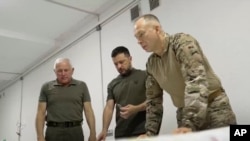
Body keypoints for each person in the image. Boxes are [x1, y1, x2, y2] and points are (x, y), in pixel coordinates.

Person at [133, 14, 237, 136]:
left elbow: (196, 82)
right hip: (184, 113)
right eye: (136, 37)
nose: (138, 41)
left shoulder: (182, 43)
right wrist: (150, 133)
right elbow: (153, 100)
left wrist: (189, 124)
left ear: (157, 29)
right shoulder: (151, 64)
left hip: (214, 108)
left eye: (141, 34)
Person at [35, 58, 96, 141]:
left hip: (75, 131)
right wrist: (40, 136)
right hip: (53, 132)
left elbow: (88, 111)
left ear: (72, 70)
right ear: (55, 71)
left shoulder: (82, 86)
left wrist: (93, 133)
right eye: (59, 71)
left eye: (66, 70)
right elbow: (40, 113)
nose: (63, 74)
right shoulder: (46, 87)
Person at [97, 46, 147, 140]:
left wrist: (136, 109)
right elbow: (109, 108)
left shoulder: (145, 75)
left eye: (121, 62)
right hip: (121, 134)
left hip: (142, 132)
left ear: (130, 58)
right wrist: (104, 130)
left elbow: (155, 102)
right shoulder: (112, 84)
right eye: (115, 64)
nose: (119, 66)